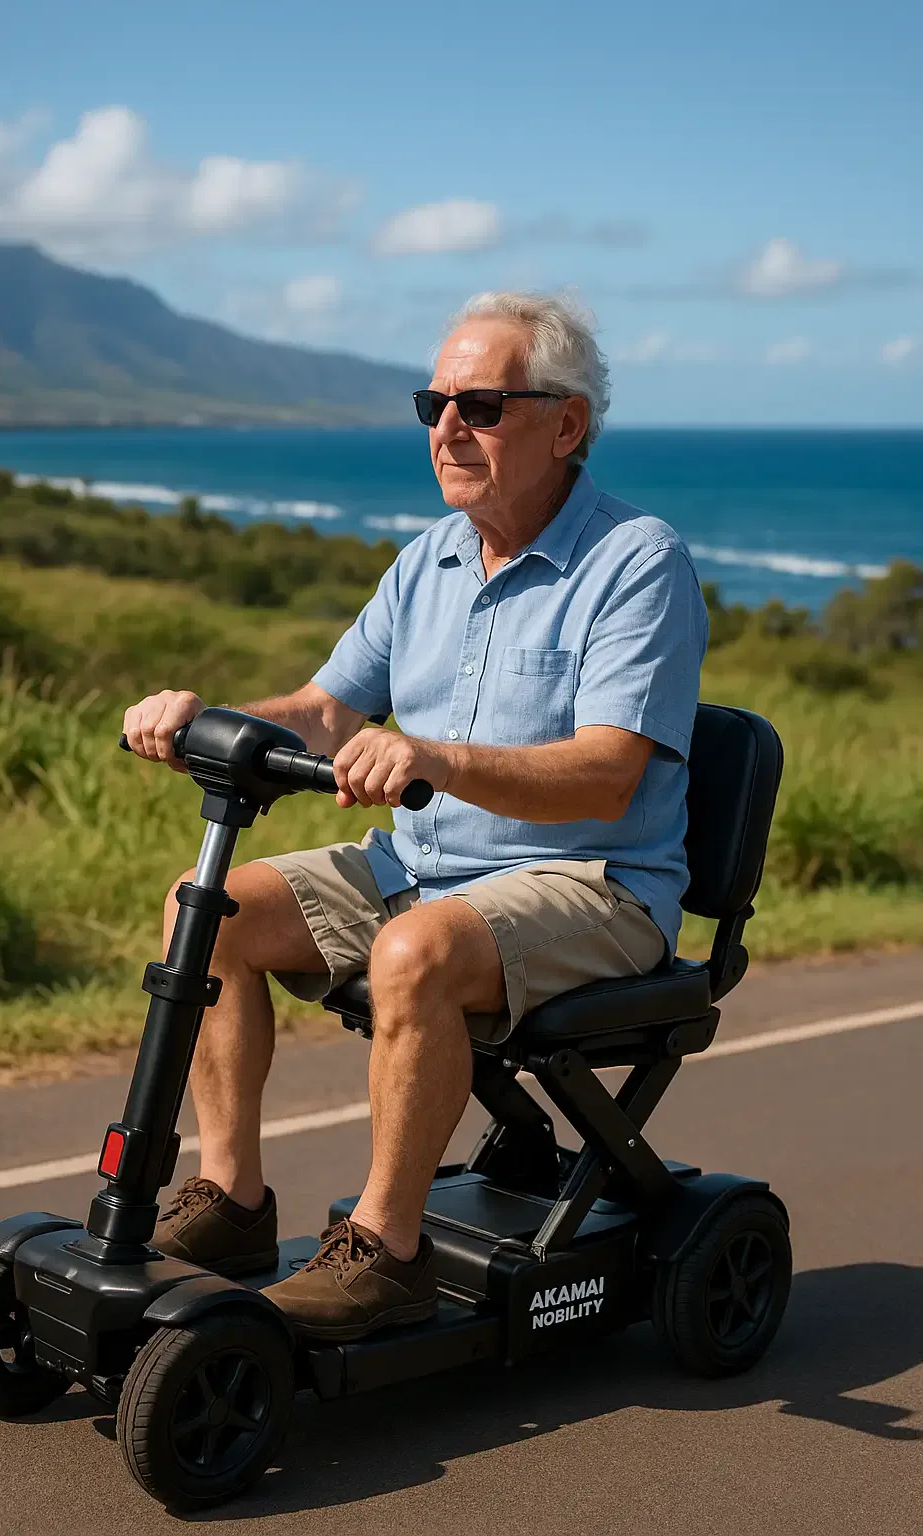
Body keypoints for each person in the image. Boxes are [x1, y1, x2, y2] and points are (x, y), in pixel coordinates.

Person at [121, 291, 708, 1342]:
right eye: (433, 402)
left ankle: (386, 1251)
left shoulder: (636, 561)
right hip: (425, 873)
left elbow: (607, 777)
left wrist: (434, 756)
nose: (446, 427)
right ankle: (232, 1201)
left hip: (594, 885)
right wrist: (200, 715)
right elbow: (320, 710)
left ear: (564, 423)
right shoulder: (427, 560)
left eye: (480, 405)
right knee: (204, 908)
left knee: (412, 953)